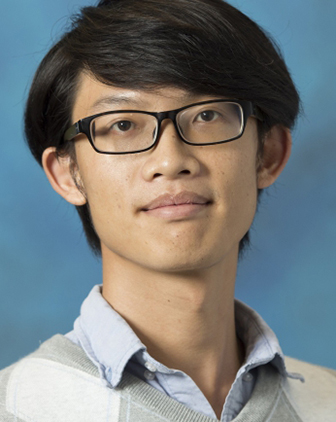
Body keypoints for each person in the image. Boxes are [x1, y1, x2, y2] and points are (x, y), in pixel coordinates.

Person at [0, 0, 335, 420]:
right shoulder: (15, 406)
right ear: (68, 175)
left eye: (207, 115)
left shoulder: (329, 402)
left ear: (268, 154)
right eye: (122, 124)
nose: (170, 160)